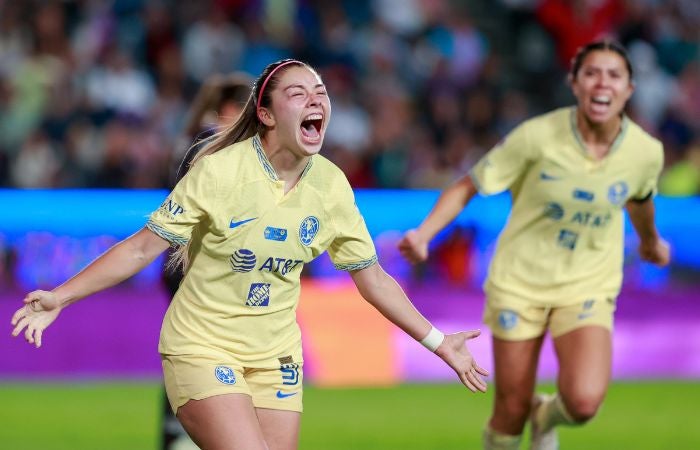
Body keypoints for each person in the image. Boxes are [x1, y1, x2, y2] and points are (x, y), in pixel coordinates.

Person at [11, 59, 489, 450]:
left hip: (276, 357)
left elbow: (374, 279)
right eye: (298, 93)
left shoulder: (331, 186)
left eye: (320, 91)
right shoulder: (219, 173)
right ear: (265, 113)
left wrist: (438, 341)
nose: (316, 98)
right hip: (202, 345)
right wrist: (61, 297)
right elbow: (140, 248)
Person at [398, 41, 670, 450]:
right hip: (519, 283)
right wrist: (423, 234)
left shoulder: (645, 152)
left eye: (614, 75)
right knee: (509, 412)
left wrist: (650, 242)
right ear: (574, 83)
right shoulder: (536, 136)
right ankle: (524, 417)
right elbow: (468, 184)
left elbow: (640, 199)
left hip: (587, 285)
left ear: (629, 89)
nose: (602, 82)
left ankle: (545, 416)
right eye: (591, 72)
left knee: (583, 402)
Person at [161, 72, 253, 450]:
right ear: (229, 110)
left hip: (184, 266)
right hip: (201, 269)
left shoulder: (191, 143)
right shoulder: (211, 146)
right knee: (212, 355)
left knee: (191, 355)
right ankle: (191, 434)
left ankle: (177, 432)